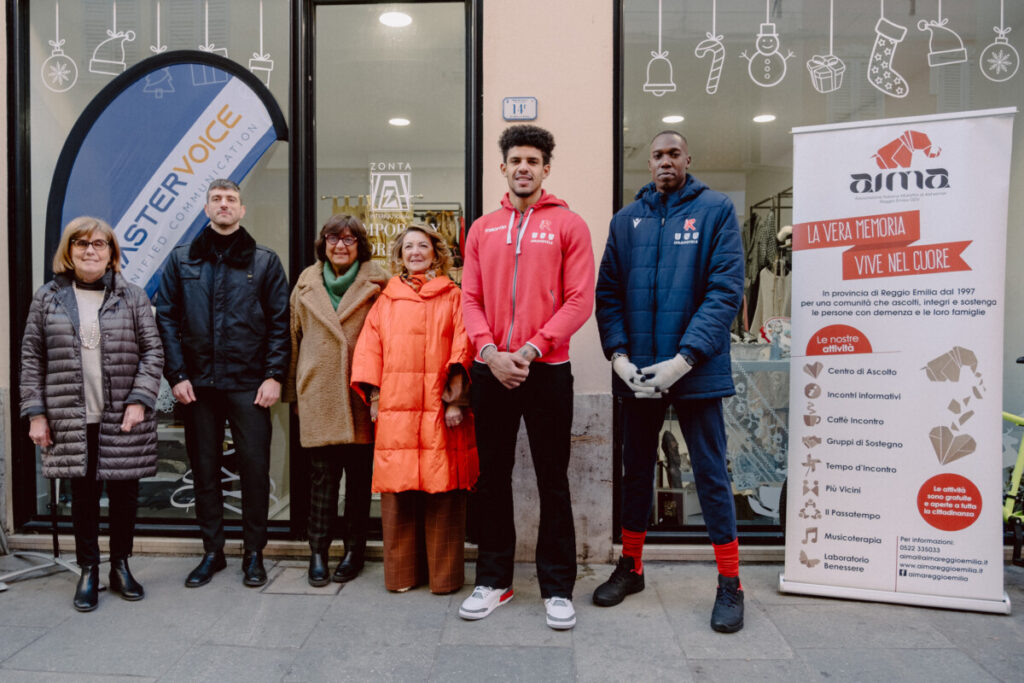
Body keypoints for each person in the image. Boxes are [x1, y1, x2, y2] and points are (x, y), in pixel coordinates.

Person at [594, 130, 745, 633]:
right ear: (649, 163)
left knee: (710, 474)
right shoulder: (626, 221)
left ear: (688, 159)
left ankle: (730, 582)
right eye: (656, 155)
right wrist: (617, 356)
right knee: (635, 470)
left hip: (695, 369)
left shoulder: (716, 210)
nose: (664, 161)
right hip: (638, 372)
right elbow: (609, 292)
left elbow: (726, 290)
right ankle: (632, 566)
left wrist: (684, 359)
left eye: (673, 154)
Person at [458, 125, 594, 630]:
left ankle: (557, 588)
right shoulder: (481, 228)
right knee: (492, 479)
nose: (523, 168)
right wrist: (491, 352)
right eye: (516, 160)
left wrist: (532, 349)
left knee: (552, 479)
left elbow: (580, 299)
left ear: (545, 169)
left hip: (548, 372)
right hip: (491, 370)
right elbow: (469, 299)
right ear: (503, 168)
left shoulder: (569, 225)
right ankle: (494, 580)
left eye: (533, 161)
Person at [20, 216, 164, 612]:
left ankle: (120, 566)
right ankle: (89, 570)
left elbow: (153, 352)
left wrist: (139, 399)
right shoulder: (47, 298)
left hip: (122, 415)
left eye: (99, 244)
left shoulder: (132, 296)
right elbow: (32, 358)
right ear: (68, 251)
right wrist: (36, 413)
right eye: (81, 243)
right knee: (82, 497)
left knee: (124, 496)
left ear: (111, 253)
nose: (89, 250)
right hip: (70, 416)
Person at [155, 179, 290, 588]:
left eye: (231, 199)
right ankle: (212, 552)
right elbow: (166, 319)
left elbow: (281, 323)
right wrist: (176, 375)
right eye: (217, 199)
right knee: (205, 470)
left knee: (253, 468)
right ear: (207, 209)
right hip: (198, 386)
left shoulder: (264, 262)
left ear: (242, 210)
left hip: (249, 384)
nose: (224, 204)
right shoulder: (181, 261)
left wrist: (274, 375)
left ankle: (254, 554)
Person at [351, 224, 478, 594]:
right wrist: (374, 397)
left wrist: (456, 400)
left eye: (423, 245)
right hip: (398, 408)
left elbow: (463, 344)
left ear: (436, 253)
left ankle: (444, 579)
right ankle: (403, 576)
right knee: (399, 492)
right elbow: (369, 348)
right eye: (409, 246)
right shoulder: (386, 299)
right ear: (400, 254)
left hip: (441, 410)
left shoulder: (453, 296)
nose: (416, 252)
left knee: (443, 492)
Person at [284, 214, 388, 587]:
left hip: (362, 397)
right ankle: (317, 553)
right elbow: (293, 339)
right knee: (322, 482)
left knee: (360, 484)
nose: (340, 245)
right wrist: (292, 392)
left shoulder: (380, 284)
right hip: (319, 393)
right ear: (322, 243)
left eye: (349, 239)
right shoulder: (306, 285)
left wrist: (382, 392)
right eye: (333, 237)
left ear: (360, 245)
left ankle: (354, 551)